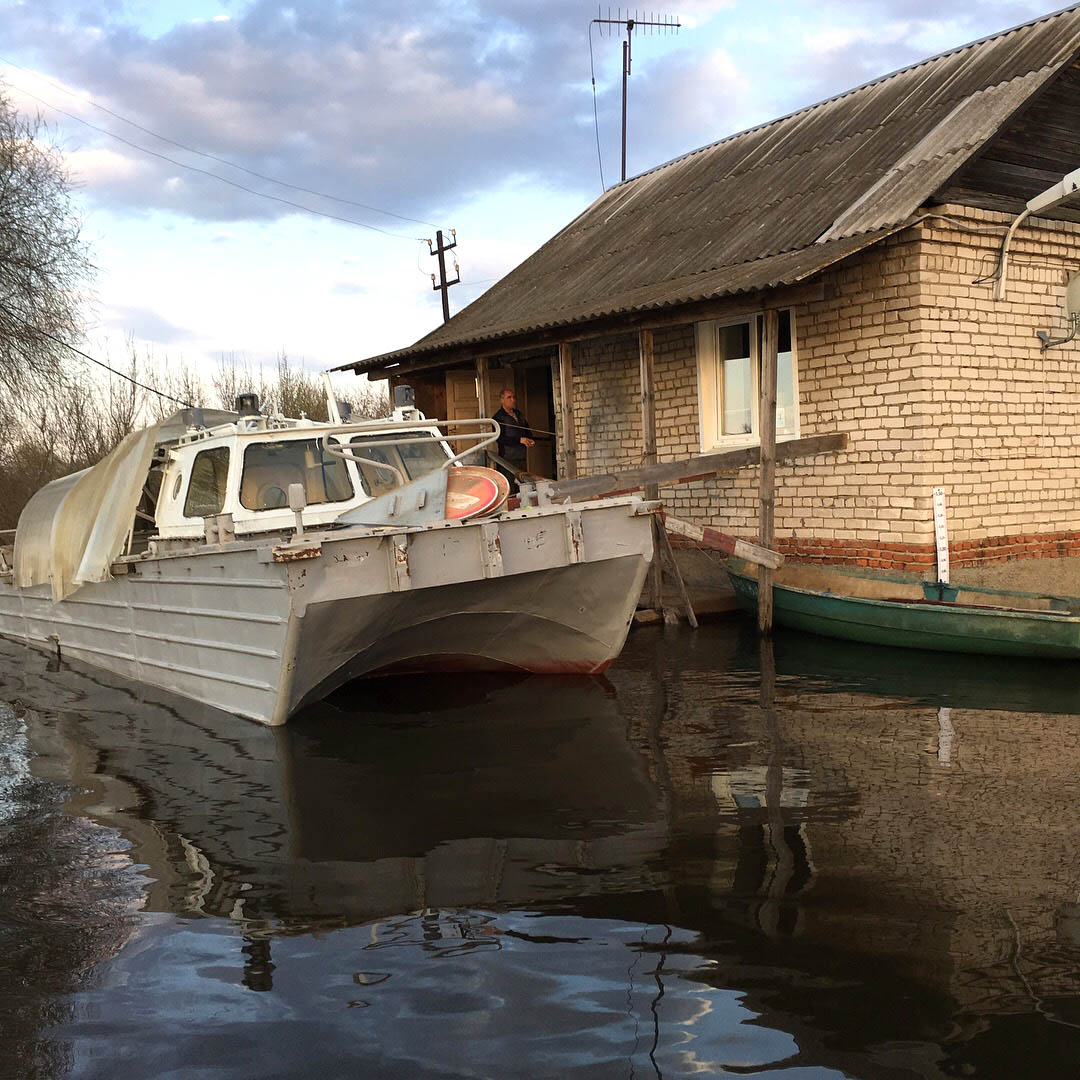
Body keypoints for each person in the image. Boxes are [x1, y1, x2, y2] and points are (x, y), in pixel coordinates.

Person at [492, 387, 535, 485]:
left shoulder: (519, 414)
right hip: (507, 457)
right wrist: (519, 440)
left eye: (513, 397)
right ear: (502, 400)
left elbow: (526, 429)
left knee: (523, 483)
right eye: (509, 397)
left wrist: (530, 438)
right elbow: (500, 438)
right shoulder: (498, 417)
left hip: (521, 456)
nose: (513, 400)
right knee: (510, 484)